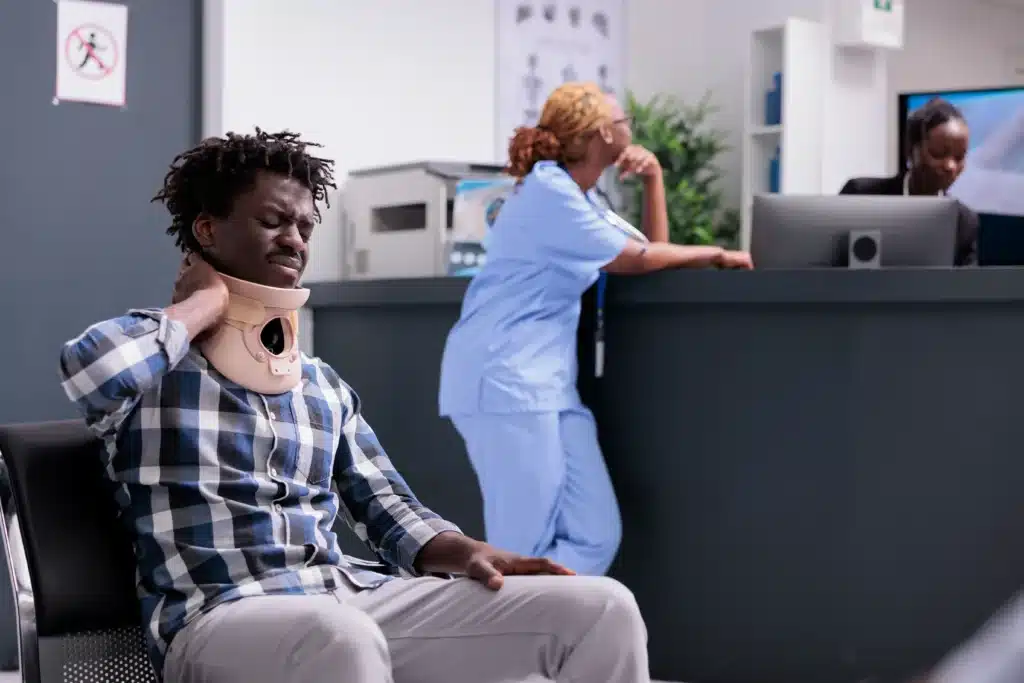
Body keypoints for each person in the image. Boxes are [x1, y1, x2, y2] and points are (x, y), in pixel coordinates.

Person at [58, 129, 649, 683]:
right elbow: (91, 371)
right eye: (272, 221)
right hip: (218, 616)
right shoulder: (153, 369)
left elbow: (387, 508)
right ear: (207, 231)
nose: (294, 239)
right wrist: (201, 304)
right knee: (338, 636)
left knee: (602, 607)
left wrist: (468, 550)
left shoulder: (320, 384)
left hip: (347, 596)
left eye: (304, 227)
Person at [438, 82, 753, 577]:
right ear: (603, 131)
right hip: (504, 380)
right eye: (622, 116)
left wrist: (653, 181)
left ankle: (528, 620)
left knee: (594, 533)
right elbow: (637, 258)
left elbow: (651, 249)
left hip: (549, 385)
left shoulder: (582, 199)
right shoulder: (548, 190)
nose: (631, 124)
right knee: (521, 544)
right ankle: (499, 641)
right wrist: (715, 253)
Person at [839, 97, 978, 266]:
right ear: (911, 150)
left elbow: (967, 288)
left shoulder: (963, 221)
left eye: (959, 157)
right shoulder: (861, 195)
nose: (950, 166)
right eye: (939, 153)